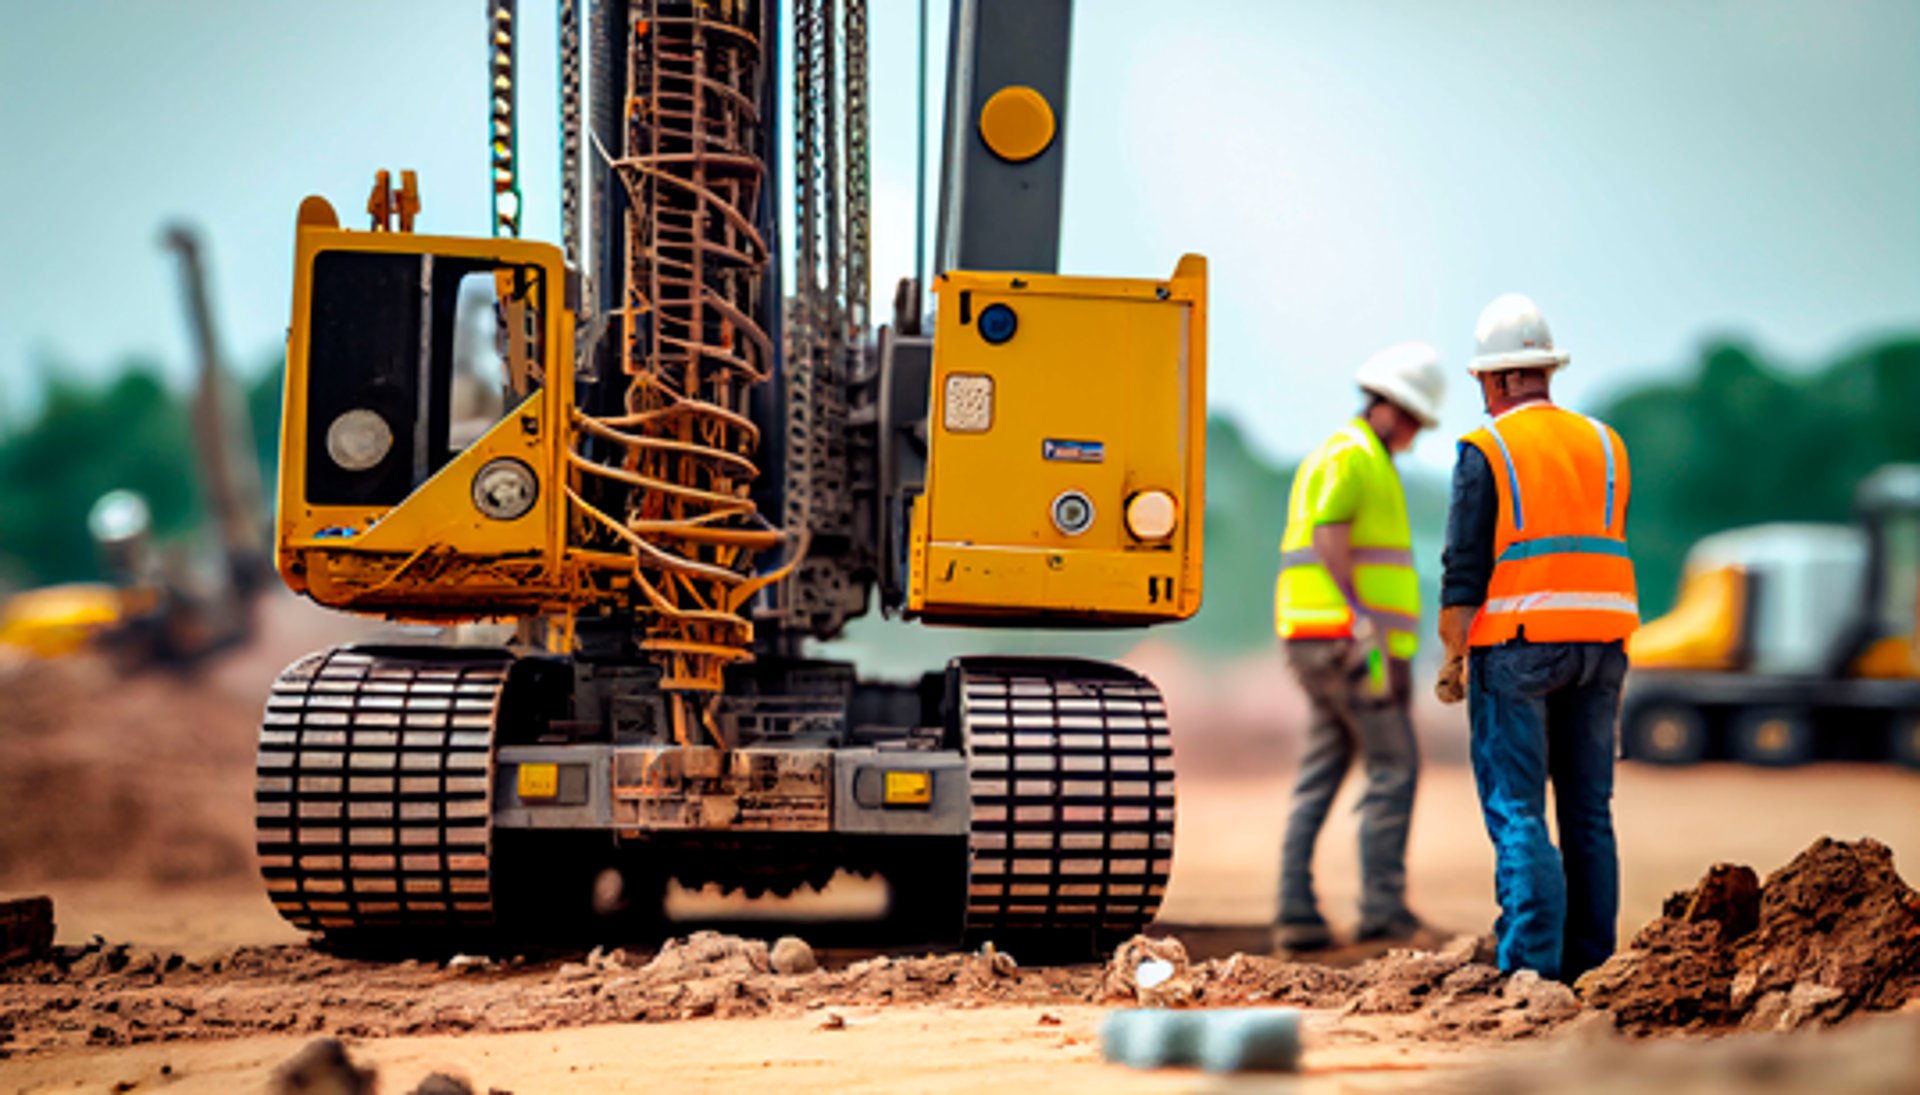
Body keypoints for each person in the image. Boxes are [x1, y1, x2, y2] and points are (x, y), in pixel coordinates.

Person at [1434, 293, 1638, 983]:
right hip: (1604, 645)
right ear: (1547, 371)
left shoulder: (1487, 448)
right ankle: (1592, 965)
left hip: (1520, 645)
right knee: (1588, 811)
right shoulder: (1607, 444)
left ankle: (1529, 969)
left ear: (1492, 380)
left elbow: (1464, 567)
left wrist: (1456, 651)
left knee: (1518, 808)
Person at [1273, 342, 1446, 952]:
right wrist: (1369, 631)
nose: (1415, 432)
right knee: (1395, 765)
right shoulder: (1352, 455)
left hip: (1328, 638)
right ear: (1388, 405)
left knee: (1323, 770)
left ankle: (1296, 912)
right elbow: (1329, 536)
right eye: (1413, 419)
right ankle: (1382, 912)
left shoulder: (1362, 456)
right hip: (1347, 642)